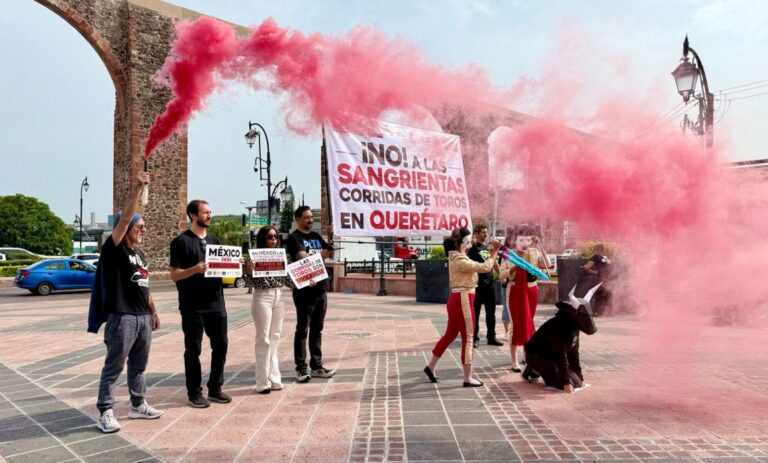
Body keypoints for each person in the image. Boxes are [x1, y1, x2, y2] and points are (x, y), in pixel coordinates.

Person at [88, 171, 163, 433]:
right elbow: (125, 218)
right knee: (114, 366)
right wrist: (138, 189)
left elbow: (145, 285)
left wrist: (153, 312)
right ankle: (105, 411)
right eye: (139, 226)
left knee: (139, 366)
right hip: (122, 317)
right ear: (127, 228)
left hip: (142, 317)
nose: (144, 229)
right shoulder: (114, 249)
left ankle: (138, 405)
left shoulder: (140, 253)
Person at [169, 200, 231, 408]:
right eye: (205, 212)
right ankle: (194, 392)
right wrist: (194, 270)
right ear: (193, 215)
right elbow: (174, 274)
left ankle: (215, 388)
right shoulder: (181, 242)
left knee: (221, 346)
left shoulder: (214, 240)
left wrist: (234, 265)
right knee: (193, 349)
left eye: (210, 212)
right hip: (192, 305)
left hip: (216, 303)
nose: (209, 216)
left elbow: (221, 267)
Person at [424, 227, 501, 387]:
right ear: (459, 243)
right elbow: (484, 268)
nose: (470, 244)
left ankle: (430, 367)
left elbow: (480, 264)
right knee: (469, 338)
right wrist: (494, 253)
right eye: (467, 242)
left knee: (450, 335)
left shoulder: (457, 256)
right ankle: (467, 377)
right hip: (463, 299)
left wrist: (491, 253)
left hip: (457, 299)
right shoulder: (459, 259)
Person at [285, 206, 336, 383]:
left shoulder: (315, 236)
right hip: (304, 290)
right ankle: (301, 368)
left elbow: (330, 252)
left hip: (320, 287)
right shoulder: (294, 238)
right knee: (302, 329)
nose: (310, 220)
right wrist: (322, 254)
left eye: (311, 217)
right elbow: (303, 258)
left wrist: (330, 237)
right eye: (306, 217)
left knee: (317, 329)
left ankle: (316, 365)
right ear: (297, 219)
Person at [245, 226, 290, 394]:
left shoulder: (281, 256)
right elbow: (248, 283)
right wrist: (249, 271)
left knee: (275, 338)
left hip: (279, 295)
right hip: (262, 296)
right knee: (263, 339)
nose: (273, 239)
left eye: (276, 236)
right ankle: (262, 382)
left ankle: (275, 378)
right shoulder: (253, 256)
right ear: (262, 238)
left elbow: (288, 280)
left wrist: (306, 281)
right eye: (270, 237)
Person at [499, 227, 551, 372]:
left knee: (529, 322)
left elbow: (547, 265)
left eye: (528, 240)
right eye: (521, 240)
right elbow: (500, 276)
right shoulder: (509, 255)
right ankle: (514, 361)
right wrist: (513, 269)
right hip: (514, 289)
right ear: (514, 241)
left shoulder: (534, 252)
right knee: (515, 324)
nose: (525, 243)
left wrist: (540, 246)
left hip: (531, 289)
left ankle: (526, 356)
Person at [522, 297, 598, 392]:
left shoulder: (574, 326)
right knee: (563, 383)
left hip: (553, 357)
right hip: (537, 355)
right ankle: (532, 369)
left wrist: (580, 378)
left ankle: (542, 371)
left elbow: (574, 354)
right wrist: (566, 382)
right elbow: (560, 355)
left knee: (577, 383)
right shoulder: (559, 326)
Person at [467, 224, 503, 347]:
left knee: (491, 313)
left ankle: (491, 337)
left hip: (490, 285)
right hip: (477, 286)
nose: (485, 234)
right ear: (476, 234)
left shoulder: (488, 248)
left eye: (486, 232)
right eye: (483, 232)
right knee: (475, 313)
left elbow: (493, 263)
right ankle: (474, 338)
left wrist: (501, 274)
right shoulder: (473, 249)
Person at [581, 243, 612, 316]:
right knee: (605, 295)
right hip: (608, 279)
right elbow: (606, 270)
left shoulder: (595, 256)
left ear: (597, 249)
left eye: (594, 249)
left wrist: (585, 266)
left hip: (599, 278)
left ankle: (596, 312)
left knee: (597, 294)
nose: (593, 251)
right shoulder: (606, 258)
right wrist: (594, 271)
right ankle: (609, 312)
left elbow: (587, 266)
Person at [498, 235, 515, 339]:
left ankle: (513, 330)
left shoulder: (519, 252)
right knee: (506, 307)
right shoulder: (504, 253)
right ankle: (507, 331)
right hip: (506, 284)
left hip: (517, 285)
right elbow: (501, 271)